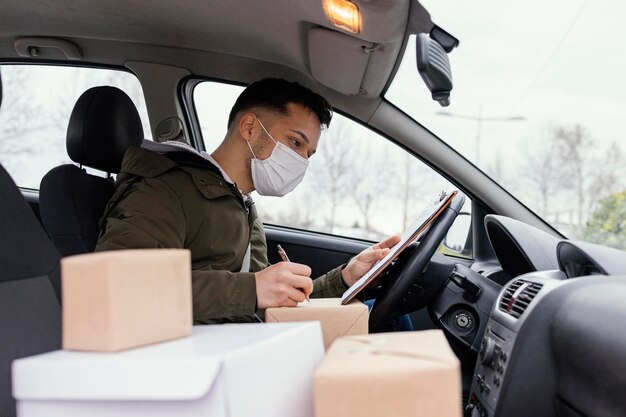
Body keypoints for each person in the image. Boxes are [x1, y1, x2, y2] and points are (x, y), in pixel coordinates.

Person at [95, 78, 401, 324]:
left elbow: (265, 304)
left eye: (308, 153)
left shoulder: (241, 204)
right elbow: (118, 289)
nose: (301, 160)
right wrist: (251, 289)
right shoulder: (164, 190)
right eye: (295, 142)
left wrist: (346, 278)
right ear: (250, 127)